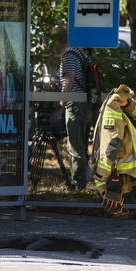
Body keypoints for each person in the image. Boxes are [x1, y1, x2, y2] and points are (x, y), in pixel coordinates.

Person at [90, 84, 136, 213]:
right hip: (123, 167)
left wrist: (101, 175)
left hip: (115, 166)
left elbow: (112, 144)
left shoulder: (111, 110)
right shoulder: (114, 109)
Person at [52, 26, 90, 191]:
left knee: (74, 146)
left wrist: (63, 100)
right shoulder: (81, 53)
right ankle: (83, 180)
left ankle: (77, 184)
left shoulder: (68, 55)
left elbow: (69, 79)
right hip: (85, 104)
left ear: (59, 41)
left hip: (74, 104)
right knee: (81, 144)